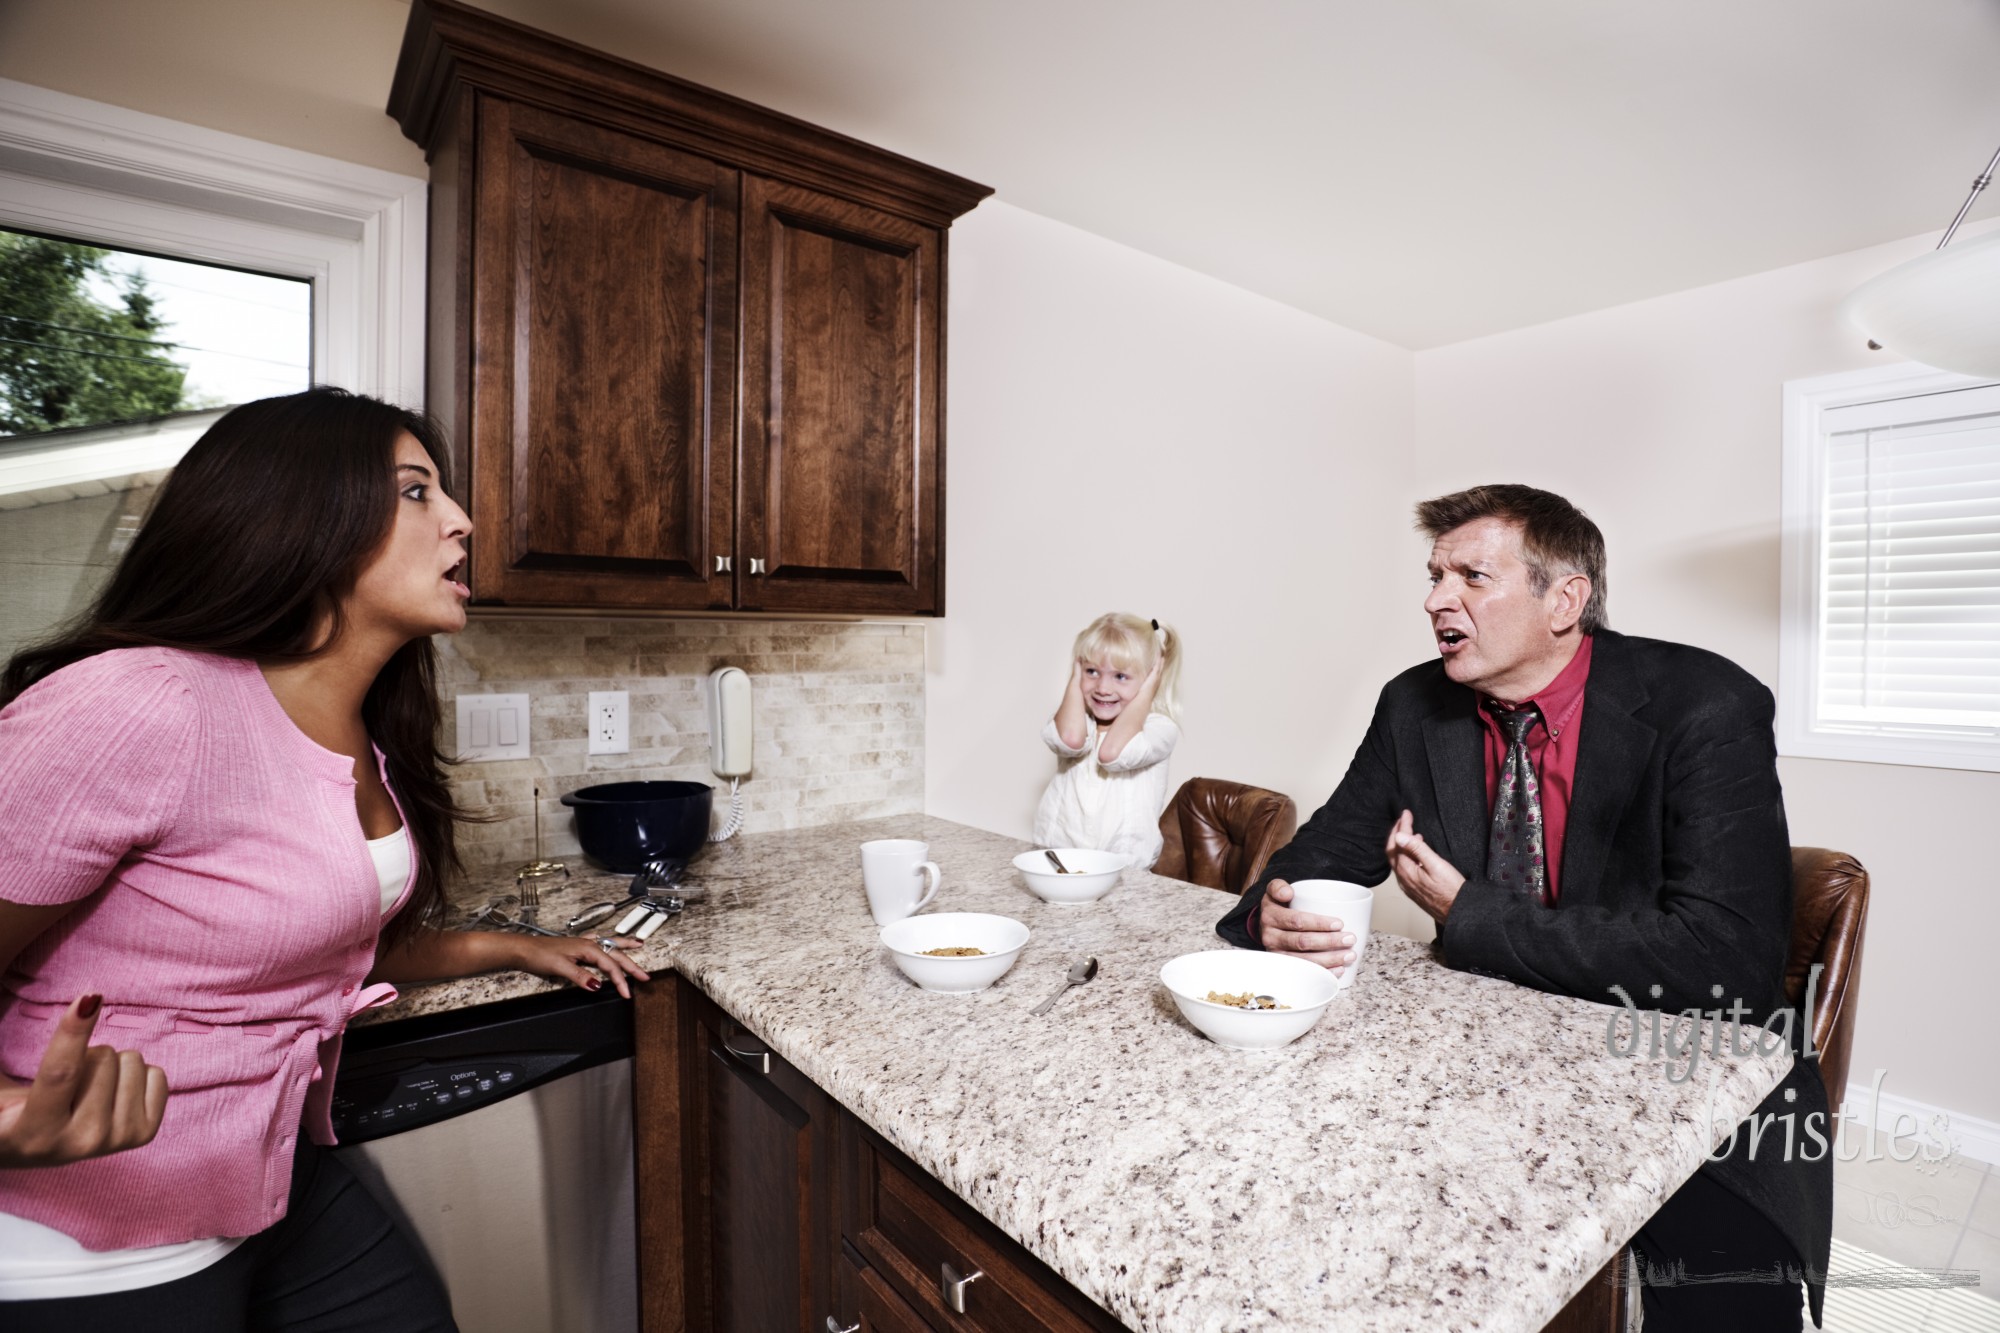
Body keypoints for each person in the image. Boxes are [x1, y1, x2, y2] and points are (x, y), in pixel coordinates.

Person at [0, 388, 650, 1331]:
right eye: (417, 492)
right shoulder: (143, 703)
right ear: (299, 515)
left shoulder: (361, 732)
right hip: (88, 1239)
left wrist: (511, 950)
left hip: (265, 1177)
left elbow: (318, 944)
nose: (464, 520)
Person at [1215, 485, 1831, 1332]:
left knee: (1724, 1310)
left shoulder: (1707, 704)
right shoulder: (1414, 704)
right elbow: (1308, 862)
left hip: (1687, 1079)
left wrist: (1470, 913)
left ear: (1565, 600)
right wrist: (1269, 916)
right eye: (1435, 575)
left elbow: (1725, 957)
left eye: (1472, 574)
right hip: (1486, 1074)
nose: (1436, 599)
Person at [1033, 613, 1183, 869]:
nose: (1103, 687)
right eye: (1091, 671)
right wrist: (1075, 678)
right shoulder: (1078, 721)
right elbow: (1069, 740)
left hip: (1123, 867)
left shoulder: (1159, 728)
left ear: (1150, 678)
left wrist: (1149, 689)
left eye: (1120, 676)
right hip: (1058, 859)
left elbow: (1113, 754)